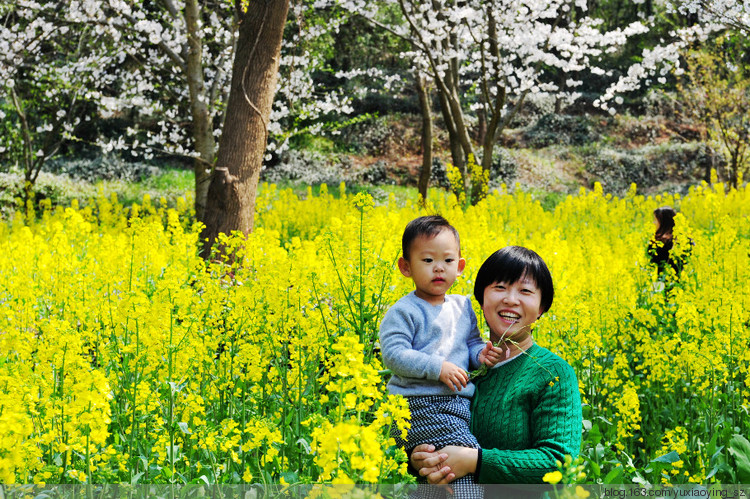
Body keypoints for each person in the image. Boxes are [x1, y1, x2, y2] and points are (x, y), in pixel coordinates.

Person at [410, 246, 582, 485]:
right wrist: (419, 459)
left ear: (542, 308)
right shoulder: (454, 363)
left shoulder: (552, 373)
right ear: (481, 300)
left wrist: (475, 461)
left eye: (525, 291)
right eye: (499, 287)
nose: (510, 300)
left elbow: (559, 462)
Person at [379, 215, 504, 498]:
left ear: (459, 267)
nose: (438, 268)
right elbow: (394, 355)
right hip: (419, 407)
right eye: (427, 261)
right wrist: (438, 368)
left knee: (434, 480)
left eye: (448, 261)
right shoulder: (404, 311)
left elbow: (470, 346)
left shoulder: (462, 306)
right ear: (405, 267)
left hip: (455, 408)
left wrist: (481, 354)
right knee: (465, 468)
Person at [648, 206, 687, 278]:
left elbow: (651, 263)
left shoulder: (658, 243)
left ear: (663, 223)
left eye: (655, 220)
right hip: (679, 284)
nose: (653, 223)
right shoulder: (684, 240)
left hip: (663, 284)